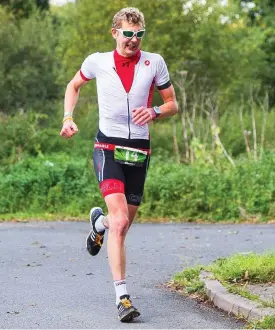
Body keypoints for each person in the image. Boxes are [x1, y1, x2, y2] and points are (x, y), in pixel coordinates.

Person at [60, 7, 178, 322]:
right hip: (108, 147)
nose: (134, 40)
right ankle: (122, 297)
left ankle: (98, 225)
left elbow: (172, 104)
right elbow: (73, 86)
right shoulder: (97, 61)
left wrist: (154, 112)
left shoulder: (155, 63)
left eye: (139, 34)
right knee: (121, 220)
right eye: (128, 34)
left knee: (121, 226)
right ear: (115, 32)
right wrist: (68, 118)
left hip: (139, 151)